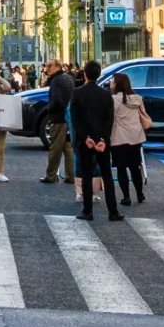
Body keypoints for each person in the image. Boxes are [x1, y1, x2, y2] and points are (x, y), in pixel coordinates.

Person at [69, 62, 118, 222]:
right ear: (99, 75)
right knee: (107, 175)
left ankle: (87, 211)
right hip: (102, 141)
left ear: (85, 75)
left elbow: (75, 119)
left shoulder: (77, 93)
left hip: (85, 141)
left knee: (87, 175)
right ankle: (113, 212)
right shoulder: (106, 94)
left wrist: (85, 137)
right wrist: (103, 139)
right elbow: (109, 119)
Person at [107, 71, 148, 207]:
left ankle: (126, 197)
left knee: (121, 167)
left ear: (117, 84)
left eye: (112, 81)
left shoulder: (113, 100)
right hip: (135, 135)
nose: (110, 83)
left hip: (119, 135)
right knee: (135, 165)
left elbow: (110, 118)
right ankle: (140, 193)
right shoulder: (137, 98)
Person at [41, 63, 76, 185]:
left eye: (50, 66)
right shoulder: (68, 78)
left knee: (55, 148)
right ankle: (71, 175)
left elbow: (56, 100)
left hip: (58, 118)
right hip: (69, 117)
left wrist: (49, 109)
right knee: (68, 147)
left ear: (57, 66)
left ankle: (51, 175)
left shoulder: (56, 81)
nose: (47, 68)